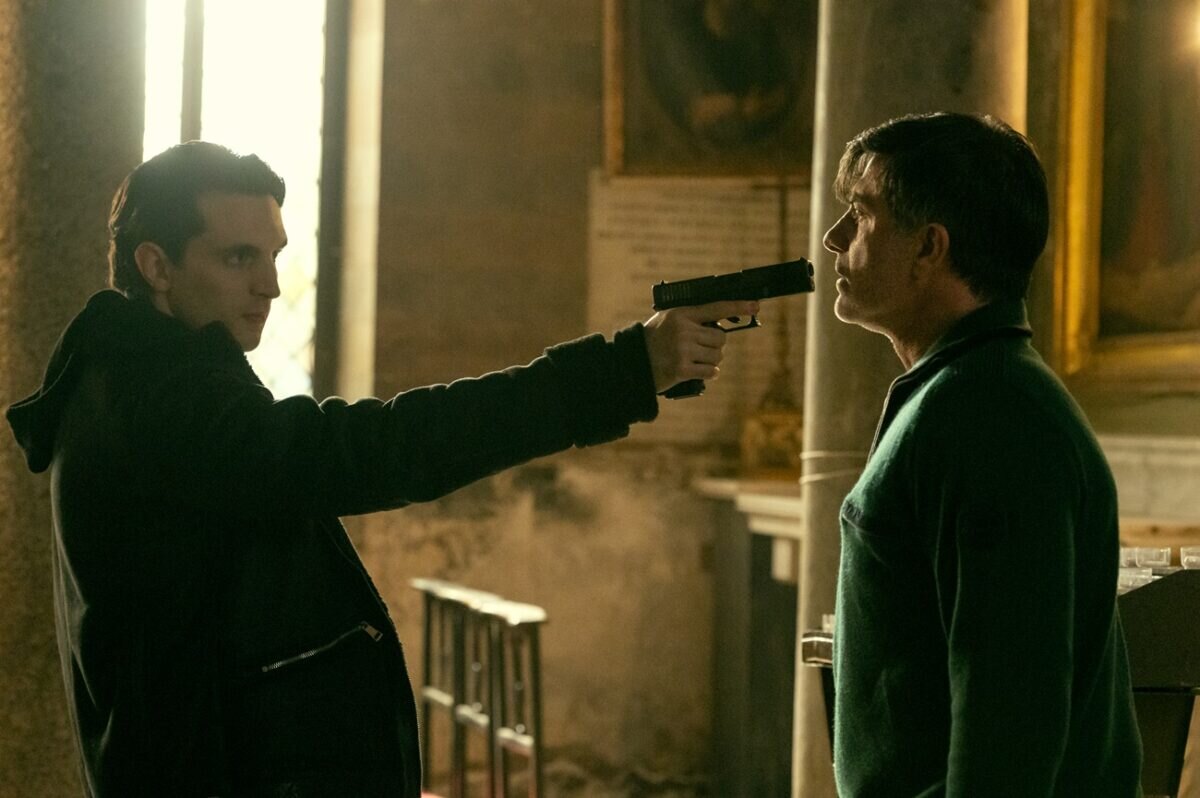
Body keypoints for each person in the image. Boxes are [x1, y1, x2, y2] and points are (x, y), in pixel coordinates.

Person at [5, 141, 757, 797]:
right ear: (156, 266)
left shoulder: (148, 377)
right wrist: (622, 370)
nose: (269, 285)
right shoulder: (156, 399)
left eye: (274, 256)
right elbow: (384, 448)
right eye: (239, 257)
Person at [821, 112, 1143, 796]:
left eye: (863, 213)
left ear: (929, 248)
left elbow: (1009, 716)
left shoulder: (992, 415)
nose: (835, 238)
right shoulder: (965, 393)